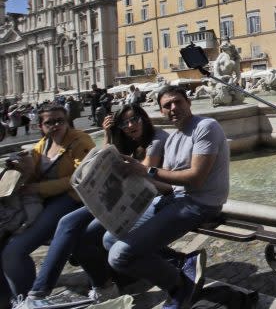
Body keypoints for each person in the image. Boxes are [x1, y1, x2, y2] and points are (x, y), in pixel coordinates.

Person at [16, 104, 172, 308]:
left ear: (145, 118)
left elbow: (145, 172)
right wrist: (108, 134)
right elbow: (107, 156)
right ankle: (103, 286)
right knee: (74, 230)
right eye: (124, 122)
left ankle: (38, 293)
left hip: (146, 200)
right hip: (121, 199)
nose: (130, 125)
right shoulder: (130, 140)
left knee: (70, 224)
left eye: (135, 119)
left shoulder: (156, 140)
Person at [104, 86, 229, 309]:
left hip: (201, 203)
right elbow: (168, 184)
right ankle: (182, 262)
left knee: (118, 256)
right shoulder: (172, 139)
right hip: (176, 200)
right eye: (167, 106)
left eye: (177, 102)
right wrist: (129, 182)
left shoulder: (205, 127)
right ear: (161, 111)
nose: (173, 108)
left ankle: (180, 285)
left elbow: (196, 179)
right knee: (109, 238)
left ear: (188, 102)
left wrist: (147, 172)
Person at [0, 105, 95, 307]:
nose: (55, 125)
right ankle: (10, 297)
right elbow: (33, 174)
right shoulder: (42, 145)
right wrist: (22, 167)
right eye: (49, 122)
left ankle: (26, 299)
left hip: (71, 200)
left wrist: (39, 188)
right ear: (41, 126)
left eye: (60, 120)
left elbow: (81, 179)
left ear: (67, 120)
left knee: (14, 251)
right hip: (45, 200)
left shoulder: (80, 140)